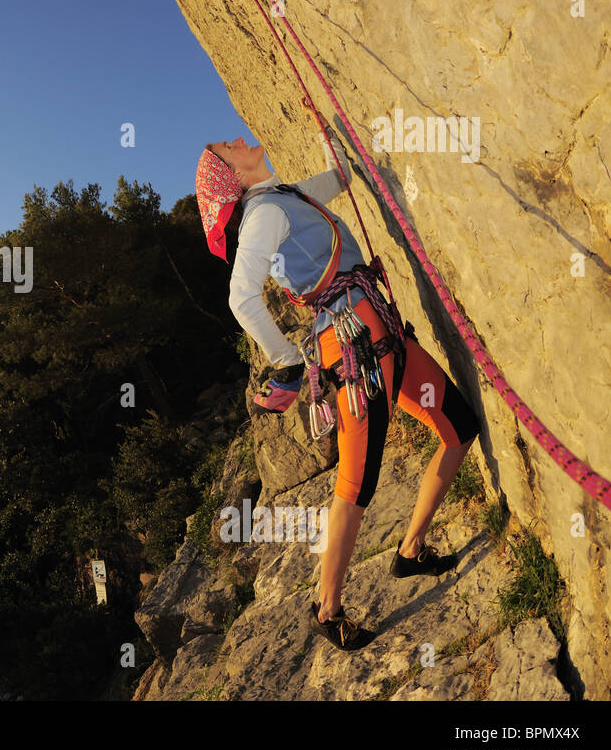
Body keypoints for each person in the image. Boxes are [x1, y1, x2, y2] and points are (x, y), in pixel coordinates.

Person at [195, 136, 481, 650]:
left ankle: (410, 550)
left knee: (458, 428)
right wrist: (285, 359)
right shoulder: (263, 216)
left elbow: (339, 179)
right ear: (231, 176)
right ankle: (327, 609)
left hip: (377, 331)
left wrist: (326, 136)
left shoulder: (284, 197)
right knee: (356, 483)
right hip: (357, 347)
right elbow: (241, 297)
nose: (239, 138)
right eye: (228, 146)